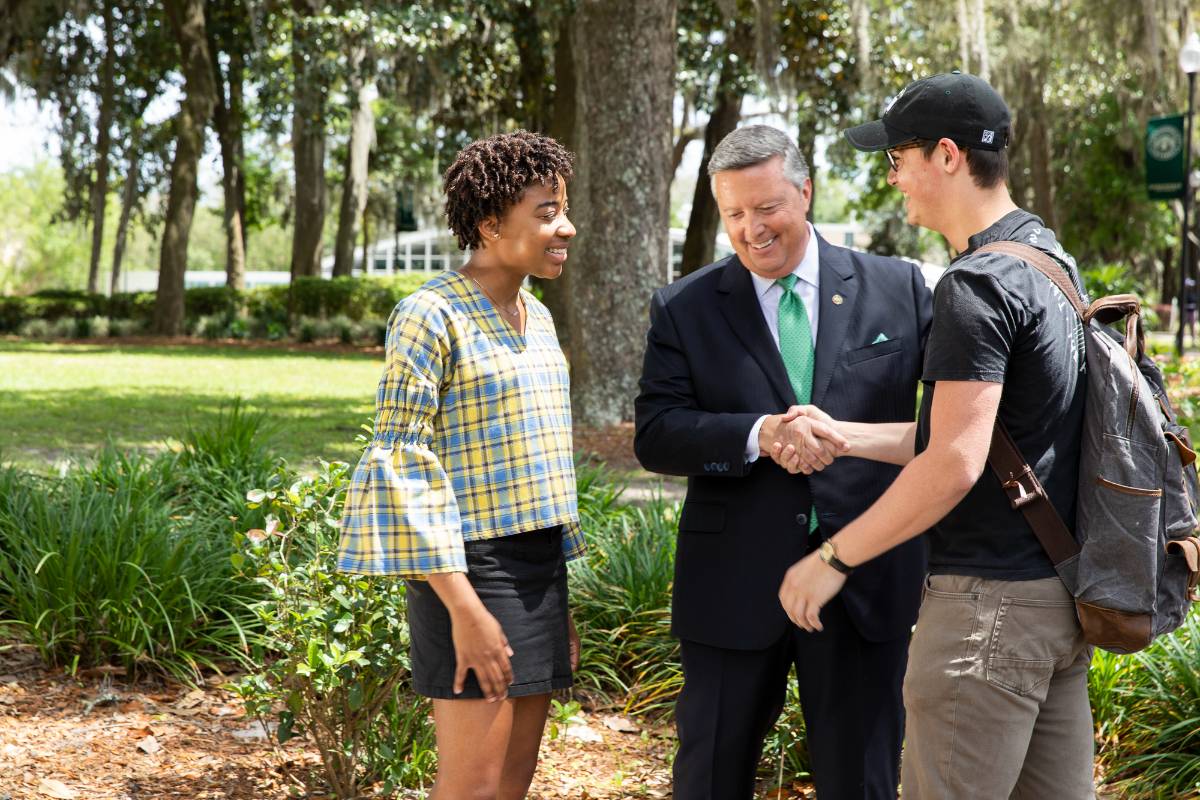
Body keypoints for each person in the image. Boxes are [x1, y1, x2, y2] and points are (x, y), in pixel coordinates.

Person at [774, 72, 1095, 799]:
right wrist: (845, 436)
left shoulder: (974, 283)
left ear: (946, 156)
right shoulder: (1046, 260)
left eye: (897, 159)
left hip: (985, 616)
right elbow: (980, 436)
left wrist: (833, 557)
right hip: (1055, 604)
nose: (894, 179)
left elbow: (954, 462)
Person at [634, 124, 933, 799]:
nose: (750, 230)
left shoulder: (900, 288)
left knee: (862, 783)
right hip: (731, 589)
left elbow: (951, 423)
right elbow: (657, 434)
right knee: (709, 779)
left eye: (766, 208)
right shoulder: (682, 309)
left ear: (805, 191)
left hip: (865, 584)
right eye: (733, 214)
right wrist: (759, 434)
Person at [337, 131, 583, 800]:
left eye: (564, 208)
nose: (566, 226)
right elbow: (401, 465)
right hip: (471, 574)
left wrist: (557, 600)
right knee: (471, 789)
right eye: (547, 211)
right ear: (489, 222)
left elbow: (539, 460)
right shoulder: (429, 315)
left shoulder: (539, 316)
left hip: (539, 569)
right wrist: (463, 609)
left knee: (512, 785)